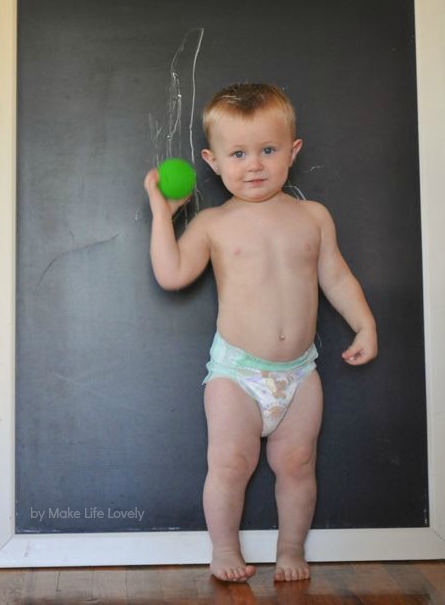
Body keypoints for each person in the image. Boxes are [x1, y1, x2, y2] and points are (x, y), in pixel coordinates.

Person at [144, 83, 377, 583]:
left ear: (293, 151)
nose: (254, 165)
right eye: (238, 154)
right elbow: (172, 273)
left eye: (268, 150)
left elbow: (337, 277)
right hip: (237, 373)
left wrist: (365, 324)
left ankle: (291, 550)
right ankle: (224, 549)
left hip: (300, 374)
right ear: (212, 161)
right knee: (229, 463)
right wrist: (163, 215)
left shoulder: (313, 217)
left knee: (298, 462)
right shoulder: (214, 223)